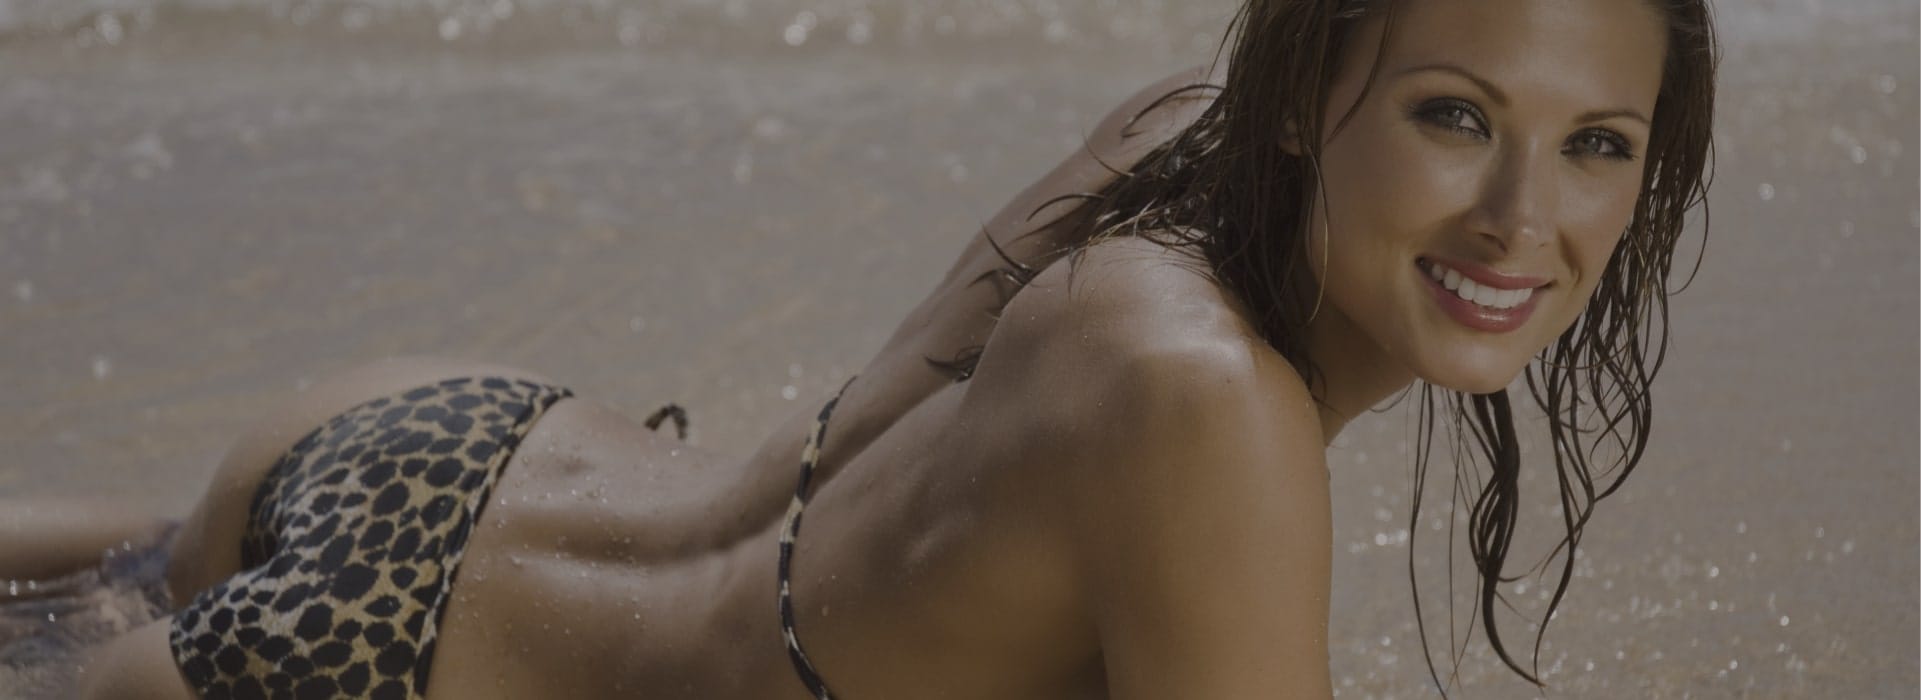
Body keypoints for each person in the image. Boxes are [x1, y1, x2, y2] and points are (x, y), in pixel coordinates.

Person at [3, 0, 1717, 696]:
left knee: (139, 575)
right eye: (1451, 115)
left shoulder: (1173, 138)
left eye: (1595, 145)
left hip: (438, 456)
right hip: (373, 681)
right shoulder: (1211, 414)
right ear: (1307, 103)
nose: (1519, 218)